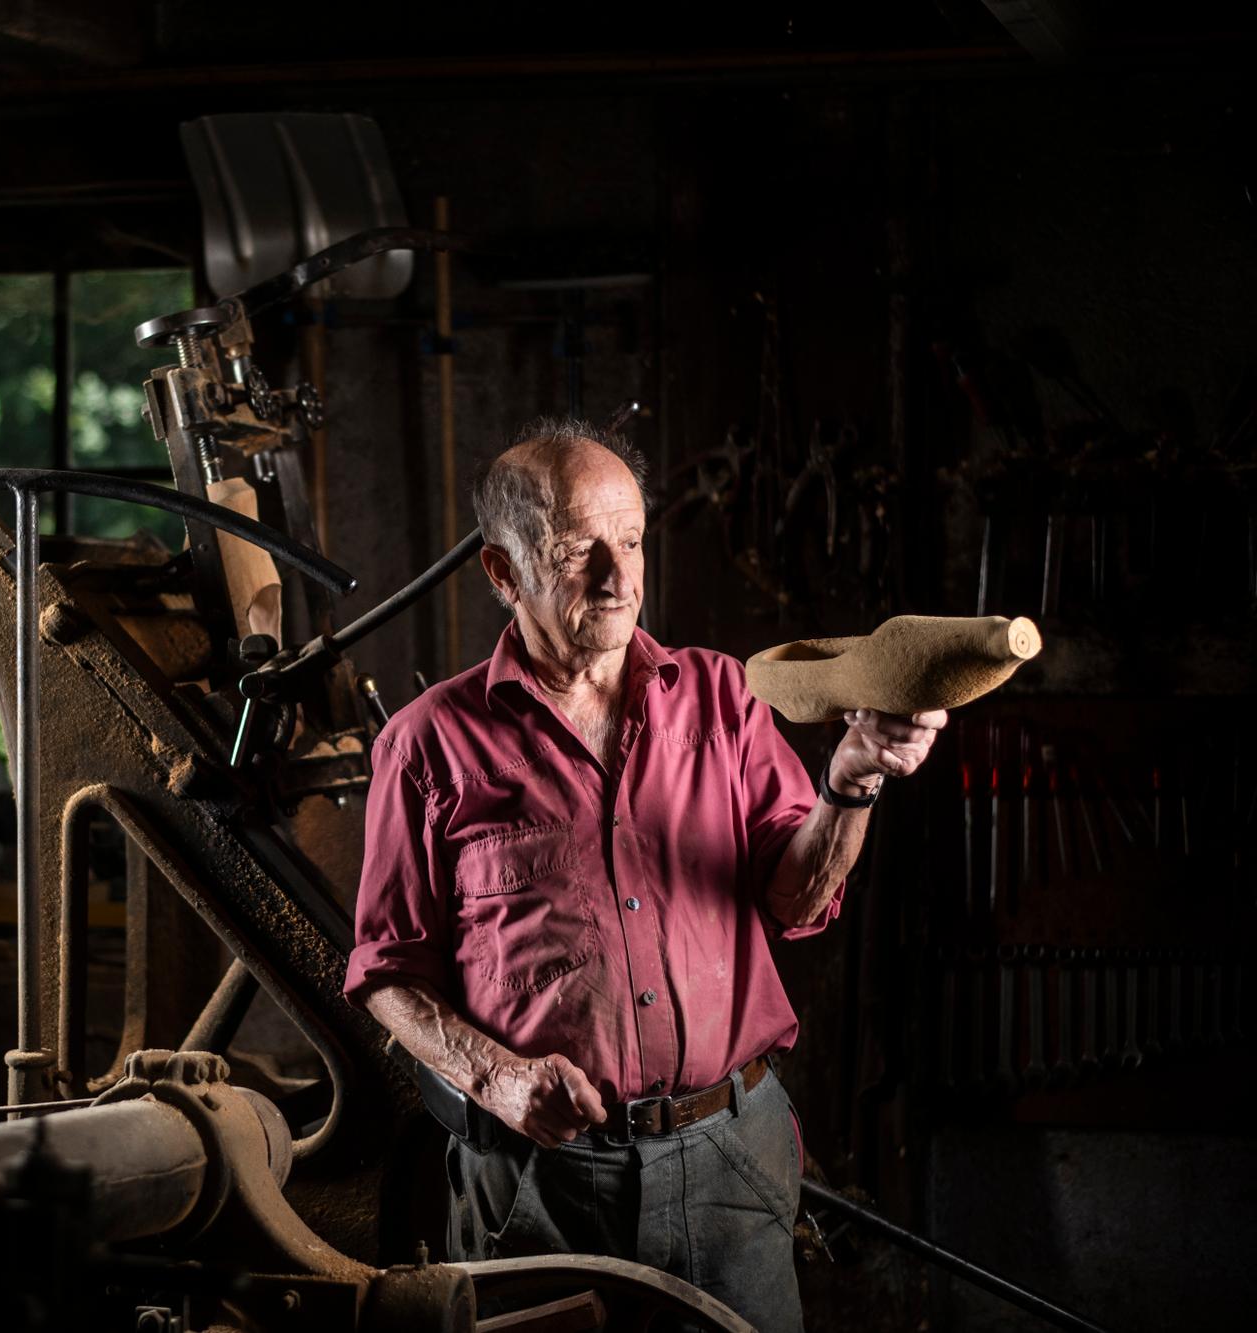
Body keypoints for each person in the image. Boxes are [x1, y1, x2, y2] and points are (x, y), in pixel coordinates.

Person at [344, 418, 945, 1331]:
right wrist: (499, 1078)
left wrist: (851, 783)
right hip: (540, 1184)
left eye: (629, 541)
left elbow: (797, 898)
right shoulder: (428, 744)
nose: (619, 578)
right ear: (503, 573)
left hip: (731, 1155)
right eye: (577, 551)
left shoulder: (724, 698)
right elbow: (387, 972)